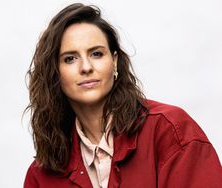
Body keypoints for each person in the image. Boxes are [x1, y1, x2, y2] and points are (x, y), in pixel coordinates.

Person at [24, 3, 222, 188]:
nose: (86, 67)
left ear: (115, 61)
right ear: (55, 72)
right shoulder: (41, 175)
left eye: (96, 54)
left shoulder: (170, 131)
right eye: (70, 58)